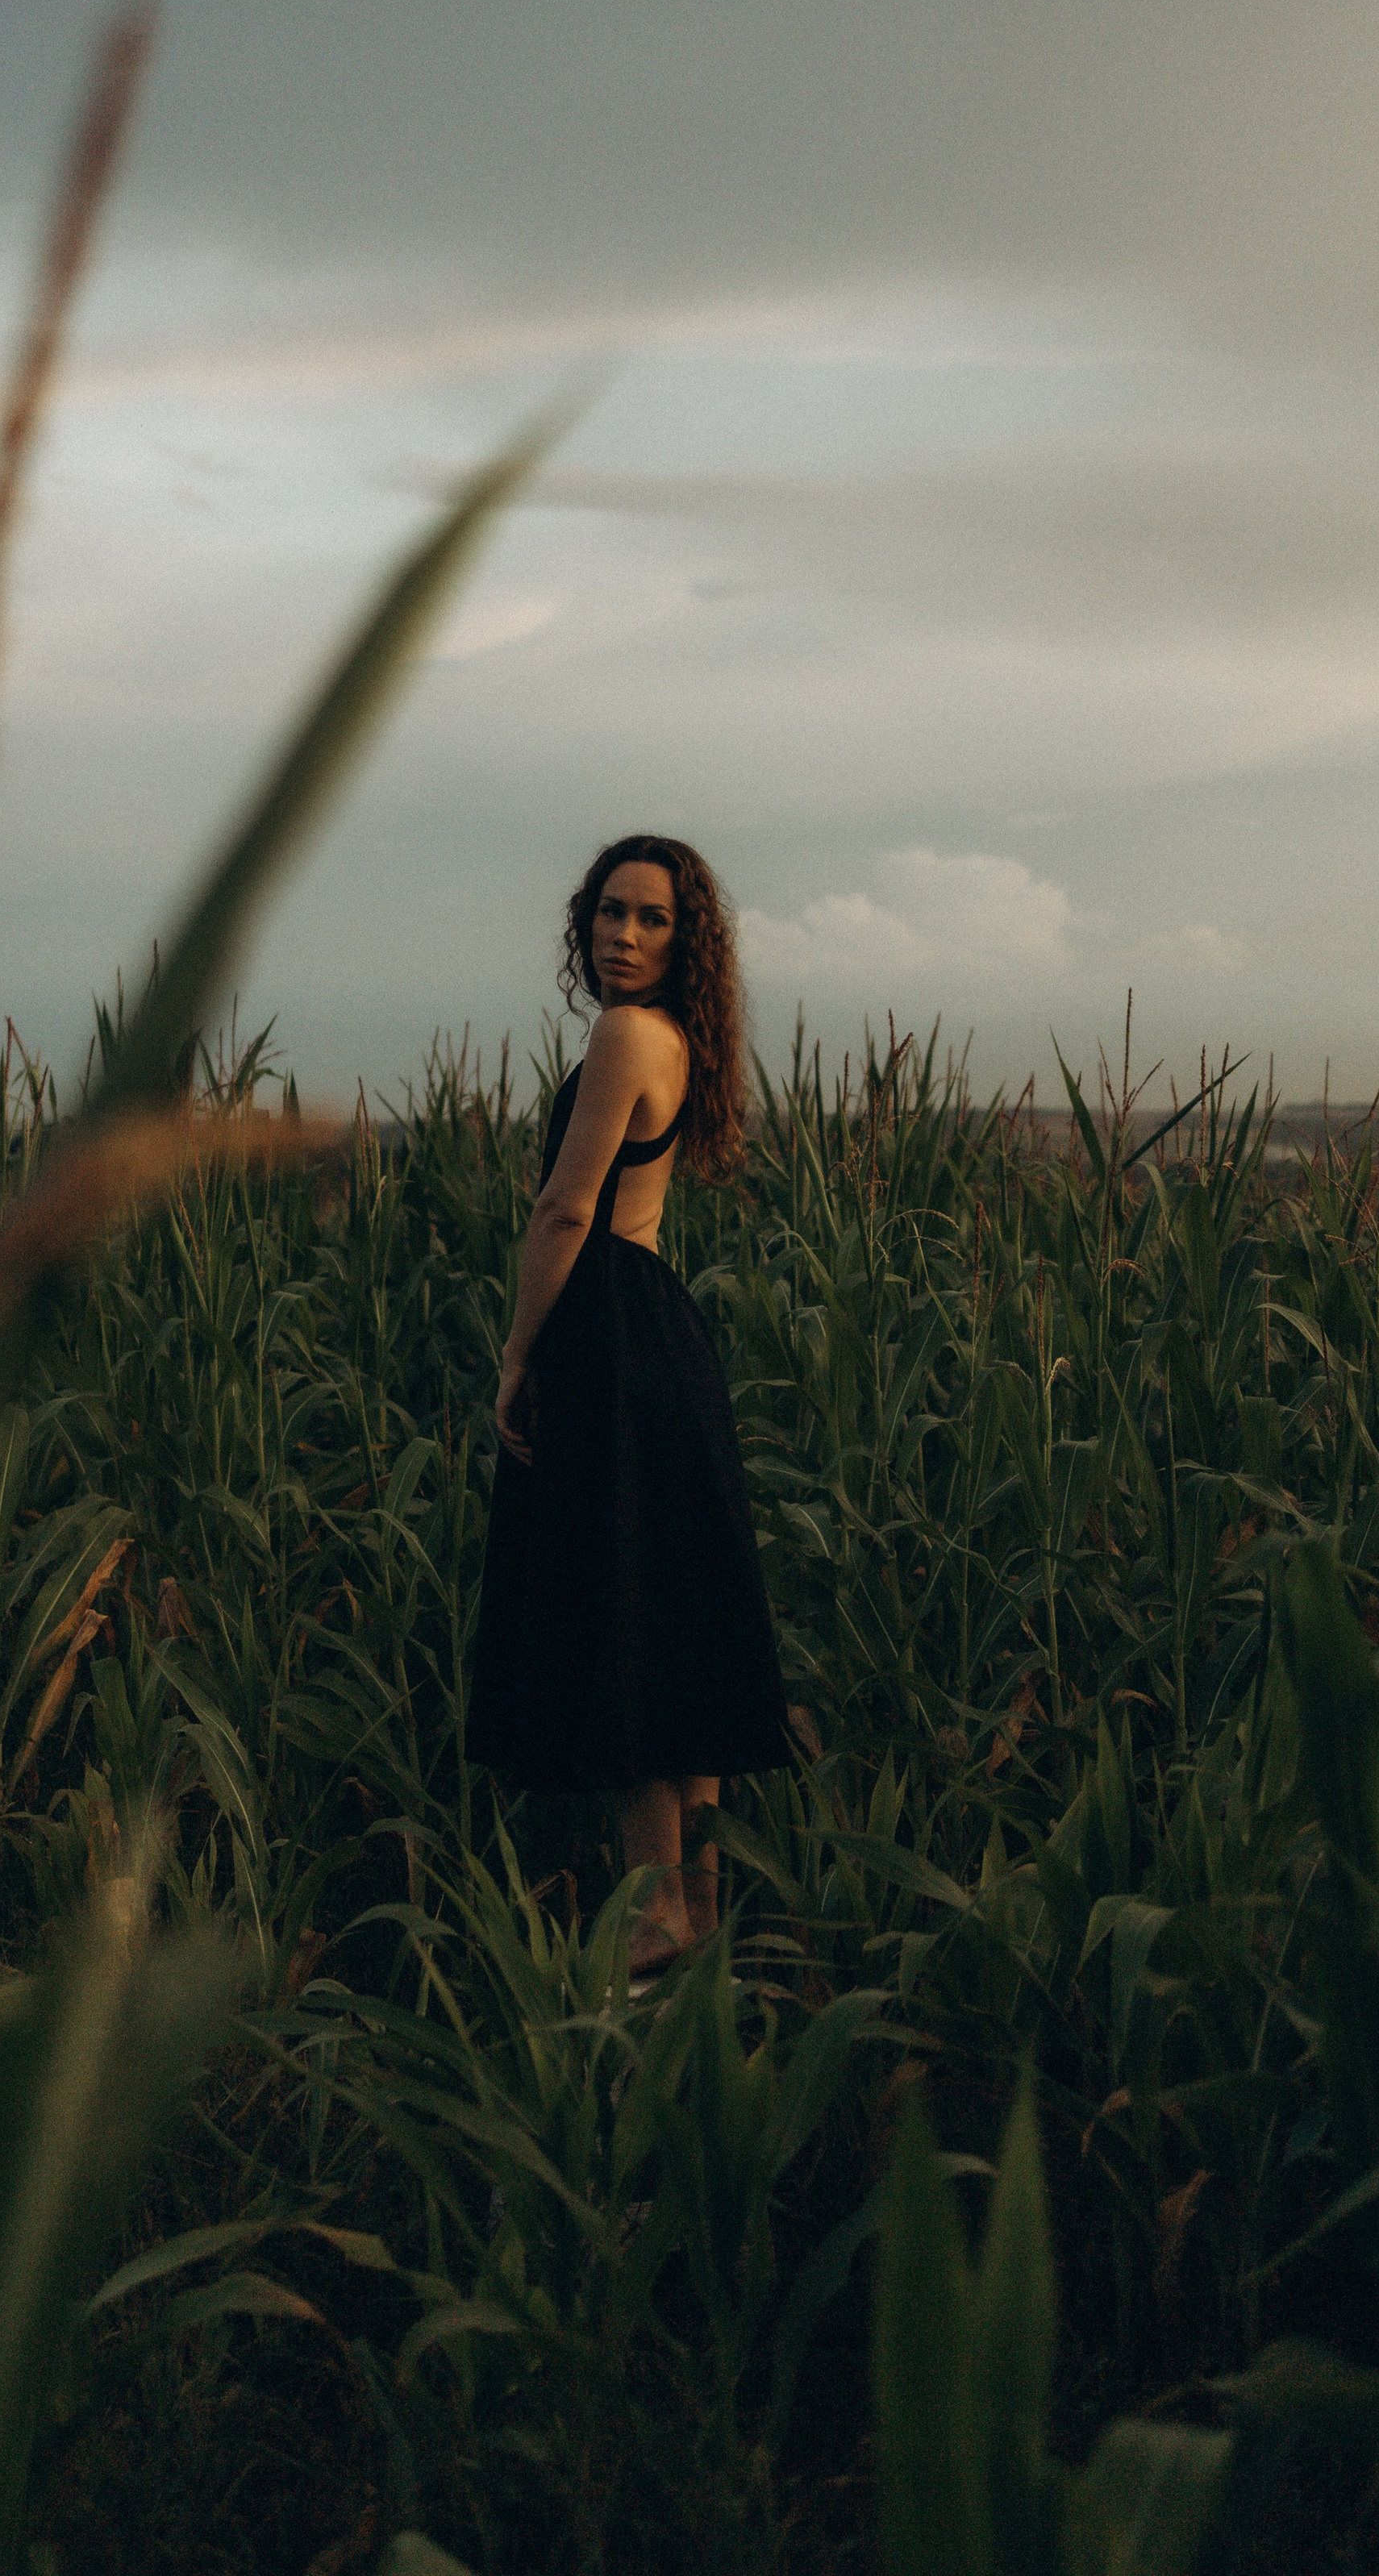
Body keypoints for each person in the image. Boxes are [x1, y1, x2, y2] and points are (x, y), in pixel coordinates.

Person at [465, 833, 789, 1985]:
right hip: (663, 1337)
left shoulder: (618, 1035)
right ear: (584, 920)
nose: (624, 935)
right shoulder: (679, 1041)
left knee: (629, 1624)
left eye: (651, 919)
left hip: (604, 1334)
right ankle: (693, 1919)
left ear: (684, 936)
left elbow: (564, 1211)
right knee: (678, 1626)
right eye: (610, 912)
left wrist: (517, 1356)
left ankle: (654, 1933)